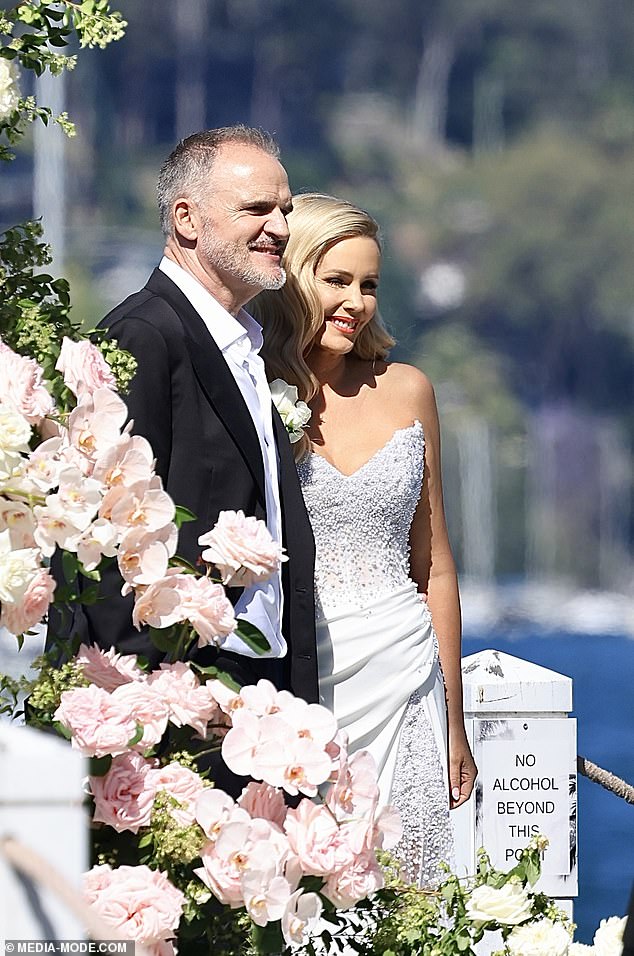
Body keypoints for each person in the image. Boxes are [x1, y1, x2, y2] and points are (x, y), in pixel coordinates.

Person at [253, 192, 477, 886]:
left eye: (370, 284)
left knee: (413, 888)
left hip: (407, 674)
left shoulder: (408, 390)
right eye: (337, 280)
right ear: (292, 278)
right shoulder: (251, 391)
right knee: (305, 895)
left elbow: (434, 564)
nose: (358, 302)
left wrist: (455, 720)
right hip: (300, 687)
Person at [52, 126, 318, 709]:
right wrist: (147, 704)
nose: (279, 227)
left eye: (284, 209)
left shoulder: (247, 346)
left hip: (256, 684)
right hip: (179, 686)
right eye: (256, 209)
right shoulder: (143, 337)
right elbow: (104, 534)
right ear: (187, 221)